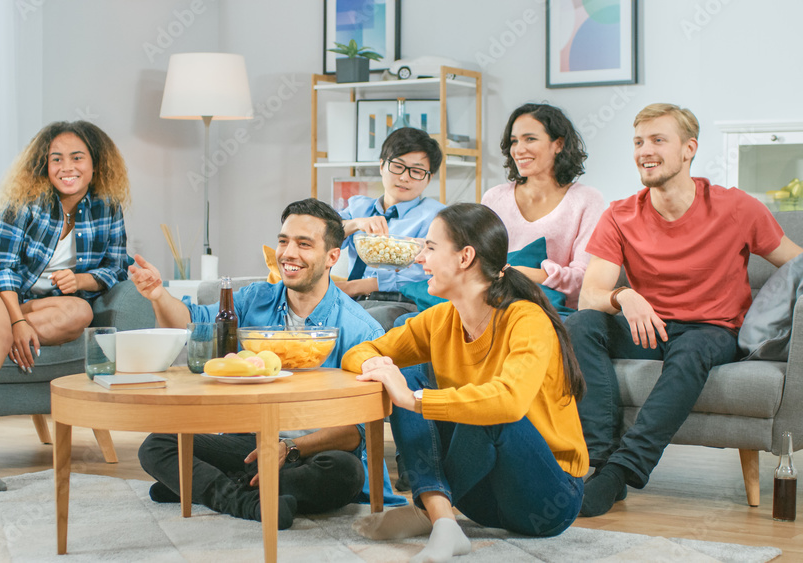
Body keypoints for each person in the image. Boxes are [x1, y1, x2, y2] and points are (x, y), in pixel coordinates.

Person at [566, 103, 803, 517]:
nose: (645, 150)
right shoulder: (621, 214)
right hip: (648, 329)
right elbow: (591, 296)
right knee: (582, 325)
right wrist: (625, 296)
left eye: (658, 140)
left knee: (692, 351)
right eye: (638, 142)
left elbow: (796, 262)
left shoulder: (736, 207)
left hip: (710, 331)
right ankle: (600, 459)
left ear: (689, 149)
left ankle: (622, 471)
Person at [343, 203, 588, 563]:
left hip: (547, 496)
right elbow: (361, 351)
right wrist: (381, 368)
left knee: (490, 412)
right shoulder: (439, 319)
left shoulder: (527, 320)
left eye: (429, 247)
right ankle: (441, 519)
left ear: (465, 257)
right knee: (405, 373)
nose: (419, 258)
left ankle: (428, 514)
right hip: (479, 498)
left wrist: (414, 400)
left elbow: (508, 403)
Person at [130, 198, 394, 529]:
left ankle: (212, 486)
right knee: (159, 444)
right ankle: (245, 499)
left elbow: (357, 430)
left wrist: (290, 448)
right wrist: (158, 295)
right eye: (283, 241)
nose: (288, 253)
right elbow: (191, 323)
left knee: (346, 473)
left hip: (311, 452)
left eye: (303, 244)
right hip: (251, 441)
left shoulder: (362, 329)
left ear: (332, 257)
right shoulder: (254, 299)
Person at [0, 120, 131, 490]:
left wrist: (82, 281)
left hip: (26, 303)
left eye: (77, 157)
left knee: (81, 311)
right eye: (56, 159)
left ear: (96, 164)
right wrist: (16, 323)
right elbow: (1, 266)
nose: (66, 167)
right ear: (44, 165)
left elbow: (117, 265)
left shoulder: (107, 207)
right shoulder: (28, 200)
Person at [482, 102, 604, 310]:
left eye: (530, 139)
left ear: (558, 144)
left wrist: (523, 274)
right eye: (514, 141)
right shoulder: (494, 198)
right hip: (492, 306)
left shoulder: (587, 200)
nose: (519, 150)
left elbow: (584, 280)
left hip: (554, 312)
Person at [337, 127, 446, 330]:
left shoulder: (437, 217)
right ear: (382, 165)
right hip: (350, 300)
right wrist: (355, 224)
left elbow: (425, 275)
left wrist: (354, 287)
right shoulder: (358, 207)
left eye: (417, 171)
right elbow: (321, 234)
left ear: (428, 178)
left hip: (402, 304)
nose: (405, 178)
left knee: (354, 327)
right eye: (398, 166)